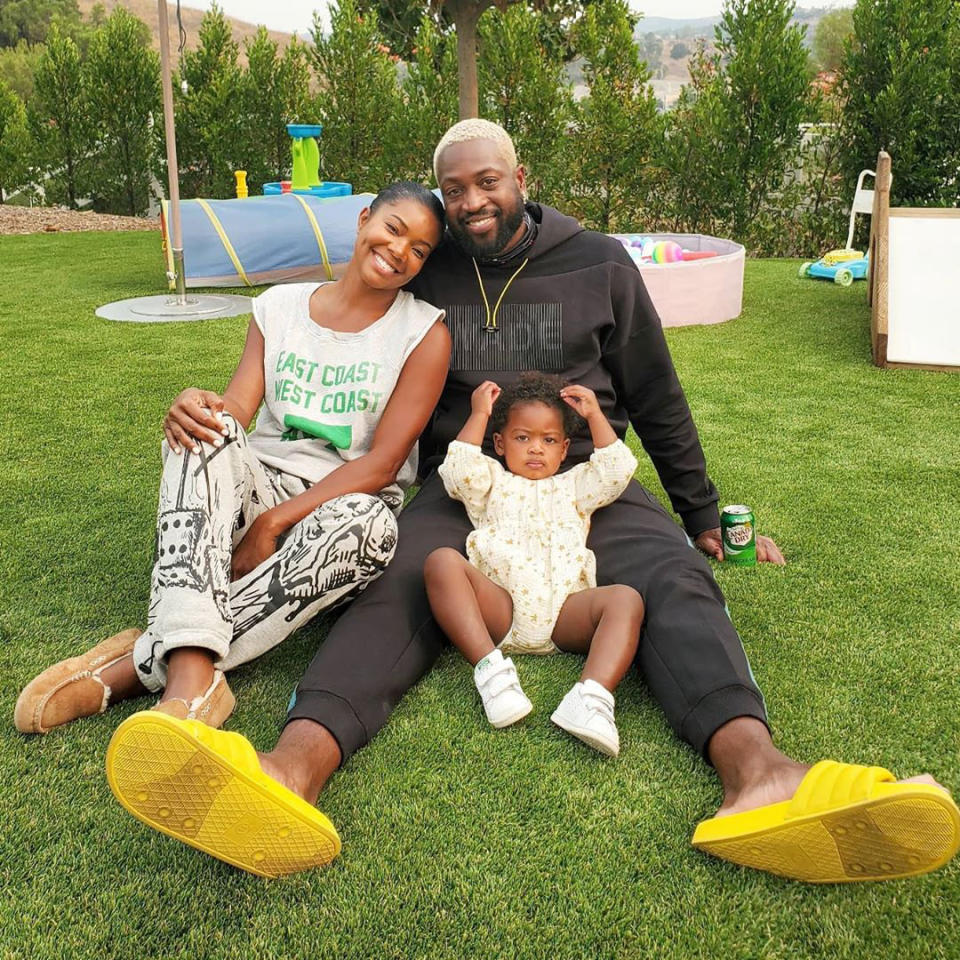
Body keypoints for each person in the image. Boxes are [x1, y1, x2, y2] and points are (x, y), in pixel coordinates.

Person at [82, 121, 958, 884]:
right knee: (401, 578)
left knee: (674, 580)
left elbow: (656, 397)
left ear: (521, 181)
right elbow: (348, 311)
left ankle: (757, 772)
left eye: (486, 182)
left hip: (589, 487)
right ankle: (291, 767)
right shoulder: (432, 271)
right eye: (453, 188)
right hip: (468, 483)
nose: (469, 202)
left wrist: (702, 515)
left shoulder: (599, 262)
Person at [15, 180, 451, 737]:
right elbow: (237, 409)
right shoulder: (279, 306)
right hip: (256, 484)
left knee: (373, 528)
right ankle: (193, 680)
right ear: (365, 219)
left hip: (336, 514)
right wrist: (196, 408)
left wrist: (272, 524)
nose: (400, 252)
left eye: (419, 250)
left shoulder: (423, 332)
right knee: (206, 431)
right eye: (394, 229)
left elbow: (383, 466)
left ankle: (136, 666)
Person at [424, 374, 643, 757]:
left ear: (564, 449)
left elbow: (616, 472)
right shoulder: (491, 481)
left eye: (549, 440)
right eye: (522, 438)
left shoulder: (577, 485)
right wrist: (478, 413)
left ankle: (591, 697)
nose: (536, 449)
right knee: (441, 563)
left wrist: (594, 415)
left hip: (564, 615)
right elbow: (457, 474)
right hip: (501, 612)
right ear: (499, 443)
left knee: (625, 600)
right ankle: (491, 674)